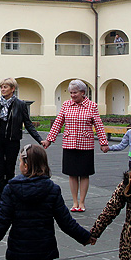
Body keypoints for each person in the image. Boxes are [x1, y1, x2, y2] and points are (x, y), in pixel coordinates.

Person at [42, 80, 108, 212]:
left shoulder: (92, 106)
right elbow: (58, 123)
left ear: (83, 93)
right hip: (69, 144)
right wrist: (49, 140)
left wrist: (103, 142)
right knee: (72, 174)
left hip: (86, 145)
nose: (72, 95)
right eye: (71, 93)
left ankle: (82, 202)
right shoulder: (66, 105)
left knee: (84, 174)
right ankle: (74, 202)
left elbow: (99, 126)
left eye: (75, 93)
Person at [0, 78, 44, 201]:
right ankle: (2, 199)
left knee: (10, 169)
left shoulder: (20, 105)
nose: (3, 89)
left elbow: (28, 124)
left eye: (5, 87)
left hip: (12, 141)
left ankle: (10, 196)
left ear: (13, 89)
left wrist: (40, 140)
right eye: (1, 87)